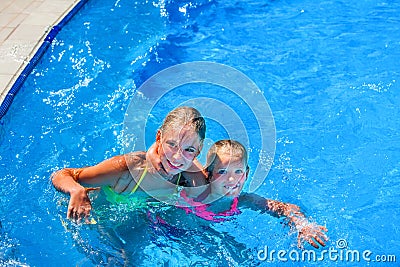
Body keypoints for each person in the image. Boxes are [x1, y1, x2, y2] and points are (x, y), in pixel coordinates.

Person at [51, 106, 207, 223]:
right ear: (159, 137)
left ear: (198, 151)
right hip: (95, 220)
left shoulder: (185, 178)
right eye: (172, 144)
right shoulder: (127, 169)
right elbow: (61, 175)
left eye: (189, 149)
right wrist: (76, 191)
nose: (177, 156)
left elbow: (207, 190)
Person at [176, 139, 329, 249]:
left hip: (198, 236)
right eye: (222, 172)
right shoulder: (198, 185)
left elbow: (287, 208)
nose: (232, 179)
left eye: (238, 172)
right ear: (208, 174)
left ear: (247, 174)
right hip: (170, 229)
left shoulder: (244, 200)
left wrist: (303, 224)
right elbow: (180, 156)